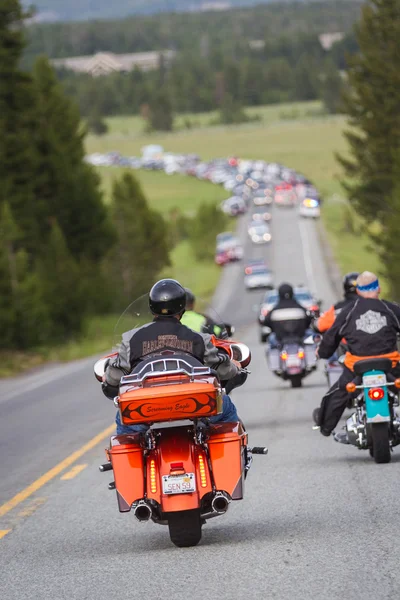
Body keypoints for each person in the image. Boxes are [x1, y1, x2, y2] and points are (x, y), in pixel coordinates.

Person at [103, 279, 243, 435]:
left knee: (125, 425)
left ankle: (127, 458)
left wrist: (107, 377)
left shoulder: (131, 339)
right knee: (226, 408)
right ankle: (229, 455)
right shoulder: (199, 339)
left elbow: (114, 377)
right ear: (182, 307)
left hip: (146, 407)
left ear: (152, 307)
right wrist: (235, 367)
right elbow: (222, 370)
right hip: (194, 403)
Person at [314, 271, 400, 441]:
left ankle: (325, 426)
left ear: (359, 291)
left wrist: (322, 352)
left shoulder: (347, 312)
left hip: (357, 367)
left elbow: (331, 337)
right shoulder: (391, 309)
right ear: (379, 289)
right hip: (391, 365)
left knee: (337, 394)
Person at [264, 283, 312, 348]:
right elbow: (308, 319)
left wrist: (274, 328)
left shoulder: (275, 310)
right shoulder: (299, 308)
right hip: (299, 338)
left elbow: (266, 321)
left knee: (271, 339)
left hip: (280, 340)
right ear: (292, 293)